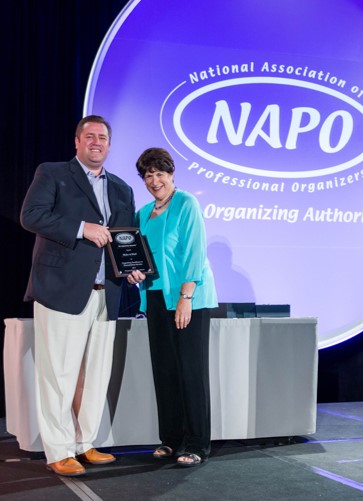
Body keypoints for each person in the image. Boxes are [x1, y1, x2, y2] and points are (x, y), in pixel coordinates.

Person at [20, 115, 135, 477]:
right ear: (77, 142)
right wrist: (81, 228)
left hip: (107, 293)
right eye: (90, 136)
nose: (96, 142)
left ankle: (86, 443)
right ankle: (58, 448)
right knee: (58, 373)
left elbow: (124, 237)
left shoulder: (121, 188)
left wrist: (132, 266)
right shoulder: (53, 173)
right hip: (61, 290)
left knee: (95, 374)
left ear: (110, 144)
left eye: (103, 137)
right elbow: (31, 216)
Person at [127, 147, 218, 467]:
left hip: (187, 298)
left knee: (191, 372)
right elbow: (140, 258)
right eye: (148, 175)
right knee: (165, 371)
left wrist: (186, 298)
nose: (154, 181)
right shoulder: (142, 214)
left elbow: (194, 251)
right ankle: (171, 439)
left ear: (171, 174)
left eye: (160, 174)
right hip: (154, 297)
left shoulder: (186, 203)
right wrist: (133, 272)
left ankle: (197, 444)